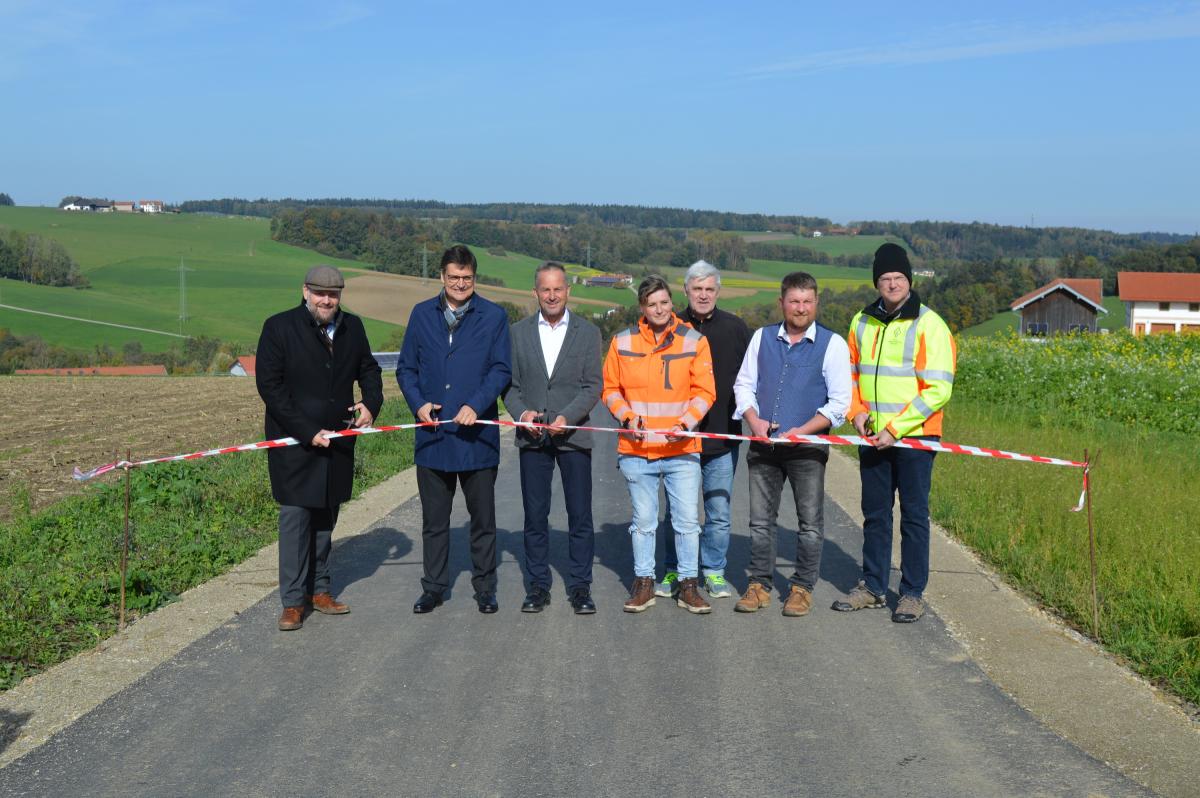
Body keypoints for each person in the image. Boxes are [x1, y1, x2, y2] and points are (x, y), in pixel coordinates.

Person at [832, 242, 956, 623]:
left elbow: (939, 388)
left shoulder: (929, 324)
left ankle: (912, 593)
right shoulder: (861, 322)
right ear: (876, 283)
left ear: (909, 280)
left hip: (916, 438)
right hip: (872, 438)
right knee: (875, 515)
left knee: (914, 516)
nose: (891, 284)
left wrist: (896, 429)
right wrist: (855, 413)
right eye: (884, 278)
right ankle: (872, 586)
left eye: (898, 278)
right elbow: (850, 374)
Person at [256, 264, 383, 631]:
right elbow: (271, 388)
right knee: (296, 520)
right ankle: (293, 601)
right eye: (320, 293)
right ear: (305, 292)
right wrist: (307, 430)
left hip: (338, 442)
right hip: (295, 444)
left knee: (326, 518)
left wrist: (371, 404)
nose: (327, 300)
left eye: (333, 294)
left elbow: (369, 371)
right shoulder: (278, 327)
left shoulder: (352, 327)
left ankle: (320, 590)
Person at [397, 245, 512, 615]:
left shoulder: (493, 317)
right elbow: (406, 369)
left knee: (483, 521)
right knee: (434, 521)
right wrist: (418, 404)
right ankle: (433, 587)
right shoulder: (420, 315)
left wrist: (474, 405)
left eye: (467, 278)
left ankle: (485, 588)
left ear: (474, 278)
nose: (460, 283)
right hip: (433, 438)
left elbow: (500, 370)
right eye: (453, 277)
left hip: (476, 437)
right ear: (442, 278)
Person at [732, 272, 851, 616]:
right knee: (759, 521)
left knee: (810, 523)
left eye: (807, 301)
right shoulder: (762, 338)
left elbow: (839, 404)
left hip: (807, 449)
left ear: (816, 303)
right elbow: (744, 385)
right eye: (794, 301)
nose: (801, 308)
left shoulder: (833, 344)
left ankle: (801, 588)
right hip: (764, 447)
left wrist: (803, 430)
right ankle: (759, 585)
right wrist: (753, 422)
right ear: (782, 303)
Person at [603, 275, 716, 614]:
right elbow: (610, 390)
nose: (659, 309)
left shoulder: (694, 340)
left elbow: (705, 391)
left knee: (686, 522)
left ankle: (688, 586)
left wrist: (687, 423)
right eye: (652, 304)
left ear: (672, 303)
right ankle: (644, 584)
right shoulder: (621, 341)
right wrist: (626, 417)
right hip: (637, 451)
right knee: (644, 522)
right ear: (642, 308)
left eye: (664, 302)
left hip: (681, 450)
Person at [503, 262, 603, 615]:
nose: (551, 295)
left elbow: (593, 385)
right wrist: (522, 414)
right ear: (535, 293)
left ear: (567, 291)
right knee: (535, 516)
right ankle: (538, 586)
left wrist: (568, 417)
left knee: (580, 516)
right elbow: (511, 388)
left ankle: (580, 587)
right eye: (545, 289)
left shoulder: (588, 333)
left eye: (557, 289)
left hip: (573, 437)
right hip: (532, 439)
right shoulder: (517, 333)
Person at [657, 260, 751, 600]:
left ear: (718, 291)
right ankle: (673, 569)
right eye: (697, 289)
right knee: (678, 512)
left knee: (719, 510)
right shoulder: (671, 326)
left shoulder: (737, 328)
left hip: (723, 437)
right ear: (685, 291)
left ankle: (713, 570)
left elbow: (751, 380)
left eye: (710, 289)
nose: (704, 295)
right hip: (680, 438)